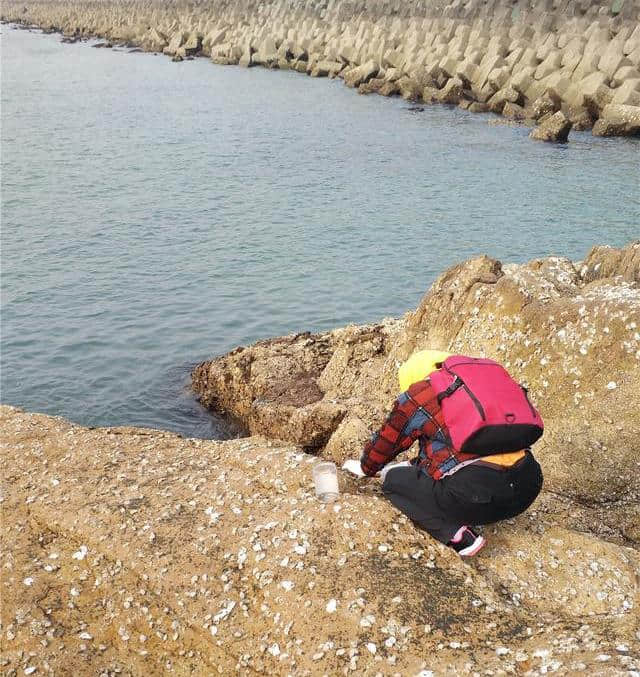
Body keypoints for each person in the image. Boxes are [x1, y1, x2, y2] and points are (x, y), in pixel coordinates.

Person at [355, 349, 544, 557]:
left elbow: (385, 445)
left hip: (477, 499)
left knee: (393, 480)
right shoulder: (476, 388)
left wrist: (365, 468)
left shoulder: (421, 393)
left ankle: (458, 536)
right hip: (527, 489)